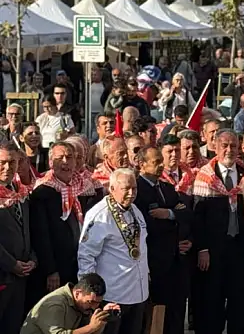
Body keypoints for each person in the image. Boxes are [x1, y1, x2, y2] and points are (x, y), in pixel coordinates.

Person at [27, 142, 102, 309]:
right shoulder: (42, 192)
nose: (65, 162)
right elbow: (41, 235)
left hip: (79, 263)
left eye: (69, 157)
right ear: (51, 162)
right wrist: (50, 270)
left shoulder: (86, 188)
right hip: (56, 266)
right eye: (59, 158)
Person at [78, 169, 149, 334]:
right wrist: (91, 292)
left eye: (134, 188)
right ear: (112, 188)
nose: (131, 193)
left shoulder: (135, 210)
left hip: (138, 291)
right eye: (126, 189)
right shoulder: (100, 215)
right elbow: (86, 255)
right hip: (112, 294)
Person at [192, 130, 244, 334]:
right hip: (213, 251)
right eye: (224, 145)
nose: (229, 150)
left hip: (238, 248)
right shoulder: (205, 176)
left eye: (233, 145)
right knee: (212, 302)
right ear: (215, 147)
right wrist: (202, 249)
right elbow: (198, 218)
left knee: (238, 301)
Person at [133, 146, 192, 334]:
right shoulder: (137, 190)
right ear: (142, 165)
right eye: (155, 162)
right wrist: (173, 216)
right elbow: (147, 222)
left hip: (176, 260)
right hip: (154, 261)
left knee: (176, 310)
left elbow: (186, 214)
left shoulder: (167, 188)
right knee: (157, 312)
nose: (161, 166)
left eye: (161, 161)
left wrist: (168, 213)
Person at [0, 142, 35, 333]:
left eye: (12, 162)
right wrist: (11, 264)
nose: (7, 168)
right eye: (2, 162)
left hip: (21, 278)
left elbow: (27, 230)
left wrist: (32, 259)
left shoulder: (19, 192)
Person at [21, 273, 121, 334]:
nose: (94, 307)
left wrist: (102, 318)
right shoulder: (55, 305)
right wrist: (91, 327)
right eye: (91, 302)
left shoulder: (82, 305)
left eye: (97, 303)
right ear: (77, 293)